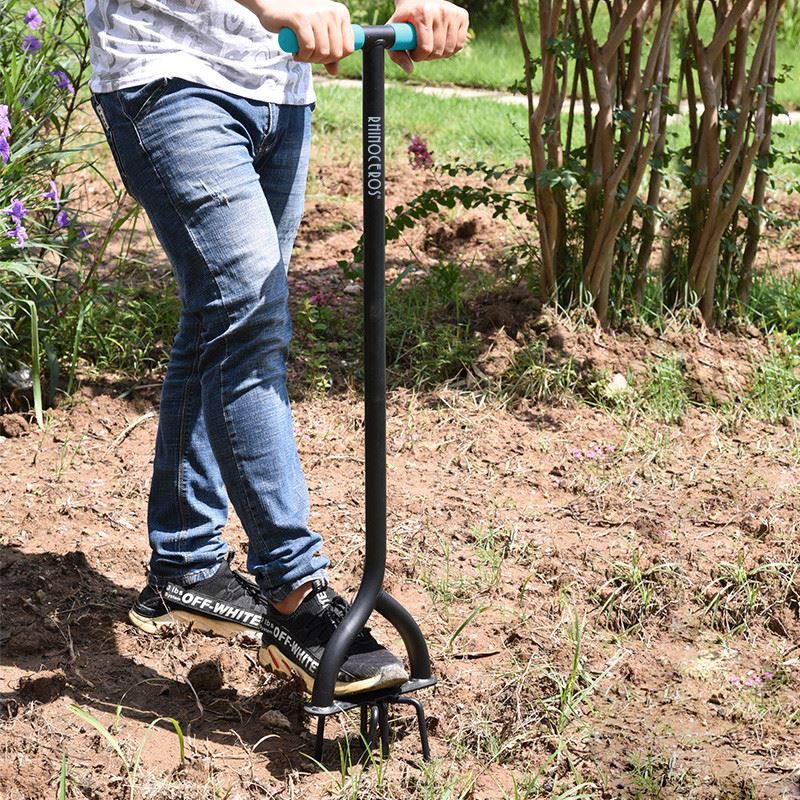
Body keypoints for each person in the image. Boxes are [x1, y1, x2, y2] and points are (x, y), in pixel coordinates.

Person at [84, 0, 469, 696]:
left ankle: (184, 562)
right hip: (167, 69)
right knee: (249, 313)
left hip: (280, 83)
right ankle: (295, 593)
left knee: (220, 317)